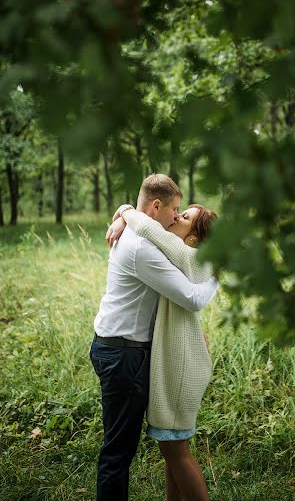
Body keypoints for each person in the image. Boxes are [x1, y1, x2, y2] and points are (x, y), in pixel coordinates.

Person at [90, 174, 219, 501]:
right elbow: (190, 297)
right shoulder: (143, 248)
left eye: (183, 214)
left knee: (167, 451)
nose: (176, 216)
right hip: (124, 353)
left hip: (135, 354)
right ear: (157, 205)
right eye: (176, 209)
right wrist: (126, 212)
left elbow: (188, 294)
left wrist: (125, 212)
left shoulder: (157, 242)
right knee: (121, 452)